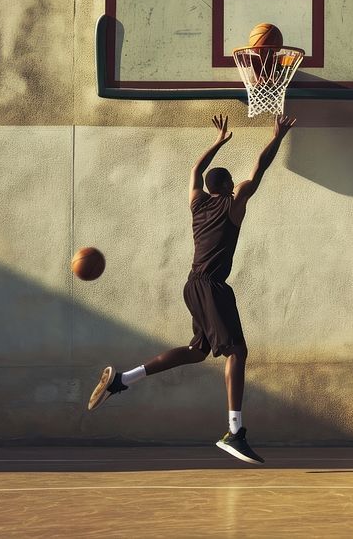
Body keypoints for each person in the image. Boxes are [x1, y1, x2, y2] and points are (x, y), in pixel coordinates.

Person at [87, 113, 297, 464]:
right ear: (229, 185)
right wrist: (277, 136)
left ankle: (123, 379)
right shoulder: (235, 202)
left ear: (208, 187)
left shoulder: (197, 204)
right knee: (237, 352)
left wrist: (216, 142)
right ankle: (235, 431)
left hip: (192, 285)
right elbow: (259, 169)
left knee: (197, 351)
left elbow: (194, 172)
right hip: (212, 287)